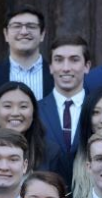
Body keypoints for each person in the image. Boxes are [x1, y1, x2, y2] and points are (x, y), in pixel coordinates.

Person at [39, 35, 91, 168]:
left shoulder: (98, 109)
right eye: (59, 60)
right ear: (50, 67)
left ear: (87, 66)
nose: (66, 68)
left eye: (74, 60)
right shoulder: (35, 110)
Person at [0, 5, 53, 100]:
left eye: (31, 26)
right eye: (17, 26)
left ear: (42, 34)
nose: (24, 32)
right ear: (6, 34)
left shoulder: (56, 74)